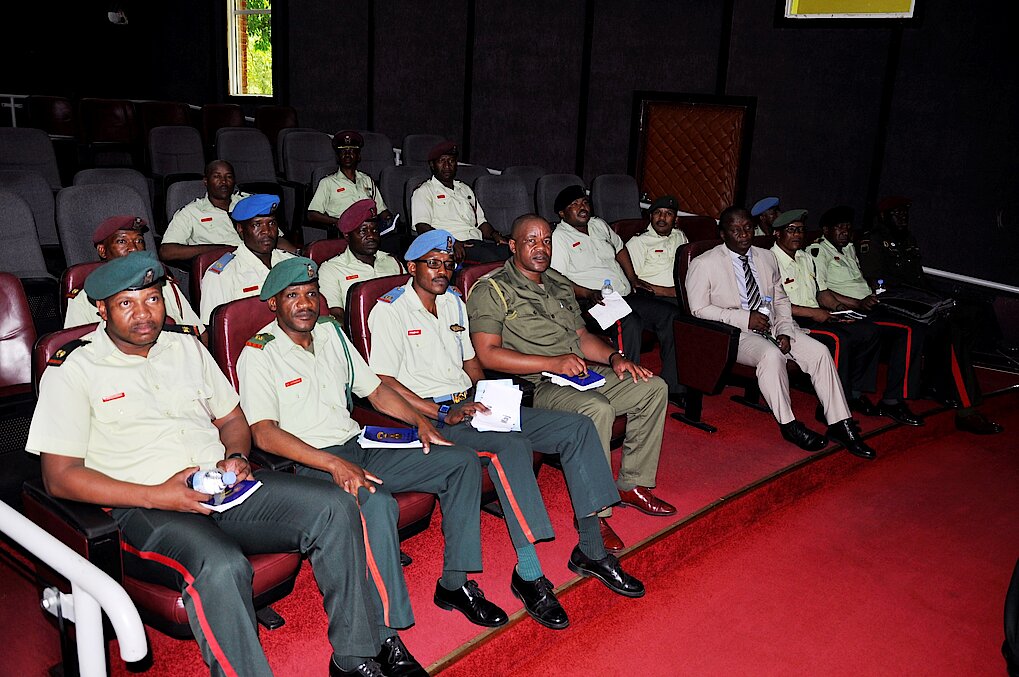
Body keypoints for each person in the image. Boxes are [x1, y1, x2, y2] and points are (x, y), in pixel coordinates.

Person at [26, 250, 392, 677]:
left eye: (152, 299)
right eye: (127, 303)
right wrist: (158, 495)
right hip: (143, 506)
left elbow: (232, 419)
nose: (144, 314)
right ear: (102, 309)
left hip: (220, 485)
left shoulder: (185, 346)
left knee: (335, 506)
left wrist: (234, 455)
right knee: (221, 566)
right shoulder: (73, 368)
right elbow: (60, 477)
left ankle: (353, 656)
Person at [236, 257, 503, 673]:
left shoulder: (331, 333)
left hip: (359, 444)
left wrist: (421, 421)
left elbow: (375, 392)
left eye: (311, 294)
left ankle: (455, 583)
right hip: (313, 463)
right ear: (273, 303)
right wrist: (331, 464)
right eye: (292, 296)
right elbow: (264, 435)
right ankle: (384, 636)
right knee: (376, 504)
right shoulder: (259, 354)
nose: (305, 303)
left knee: (460, 462)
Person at [368, 230, 642, 626]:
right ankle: (529, 575)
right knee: (511, 448)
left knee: (579, 428)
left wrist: (486, 397)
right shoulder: (390, 310)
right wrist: (441, 411)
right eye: (432, 263)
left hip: (470, 404)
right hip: (435, 416)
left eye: (448, 264)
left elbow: (470, 362)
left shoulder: (453, 302)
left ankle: (592, 549)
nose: (442, 271)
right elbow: (384, 381)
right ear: (411, 267)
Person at [468, 214, 676, 540]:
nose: (541, 248)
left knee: (652, 387)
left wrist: (615, 358)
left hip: (577, 372)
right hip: (535, 385)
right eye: (531, 241)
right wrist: (552, 363)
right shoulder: (492, 289)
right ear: (512, 245)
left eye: (546, 240)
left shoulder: (558, 282)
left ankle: (632, 484)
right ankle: (593, 513)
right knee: (597, 409)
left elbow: (581, 336)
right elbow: (487, 354)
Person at [685, 206, 875, 459]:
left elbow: (781, 300)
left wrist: (785, 329)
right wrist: (745, 318)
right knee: (771, 355)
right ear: (723, 233)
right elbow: (698, 309)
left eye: (748, 228)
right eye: (735, 230)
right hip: (733, 332)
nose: (743, 234)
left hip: (773, 325)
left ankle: (840, 423)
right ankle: (789, 424)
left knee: (819, 352)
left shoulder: (766, 257)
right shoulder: (704, 263)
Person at [857, 196, 1003, 434]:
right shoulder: (873, 240)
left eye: (905, 213)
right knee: (950, 332)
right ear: (883, 217)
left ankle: (936, 381)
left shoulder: (908, 239)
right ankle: (966, 409)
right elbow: (879, 284)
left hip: (920, 300)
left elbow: (919, 279)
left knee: (974, 313)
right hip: (894, 303)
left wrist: (938, 299)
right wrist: (929, 302)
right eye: (897, 213)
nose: (903, 217)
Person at [549, 185, 684, 403]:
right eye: (574, 205)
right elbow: (557, 280)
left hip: (623, 295)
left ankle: (674, 388)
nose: (582, 207)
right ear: (562, 214)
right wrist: (587, 292)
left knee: (670, 315)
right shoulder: (559, 237)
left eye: (584, 202)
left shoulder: (599, 225)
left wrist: (633, 278)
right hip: (591, 301)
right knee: (629, 322)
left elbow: (620, 248)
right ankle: (629, 390)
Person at [807, 206, 926, 427]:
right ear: (826, 230)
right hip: (852, 308)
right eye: (839, 227)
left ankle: (858, 394)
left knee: (915, 324)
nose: (845, 231)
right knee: (908, 331)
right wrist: (858, 304)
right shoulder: (818, 251)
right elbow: (821, 292)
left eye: (847, 227)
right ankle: (892, 400)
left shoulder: (849, 248)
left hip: (870, 304)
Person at [770, 209, 887, 415]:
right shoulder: (769, 261)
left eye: (801, 230)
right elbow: (773, 304)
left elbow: (822, 293)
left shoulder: (805, 257)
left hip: (817, 314)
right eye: (791, 230)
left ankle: (854, 394)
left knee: (869, 331)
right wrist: (814, 313)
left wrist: (841, 310)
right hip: (792, 320)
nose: (797, 234)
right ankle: (831, 406)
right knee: (840, 341)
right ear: (777, 233)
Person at [65, 215, 206, 344]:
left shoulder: (165, 285)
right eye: (122, 241)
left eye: (139, 241)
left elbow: (198, 333)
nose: (133, 248)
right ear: (102, 251)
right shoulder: (83, 298)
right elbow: (78, 350)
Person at [160, 160, 296, 265]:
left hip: (262, 261)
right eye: (217, 177)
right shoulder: (191, 212)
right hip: (223, 268)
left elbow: (275, 238)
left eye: (228, 177)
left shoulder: (248, 203)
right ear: (206, 181)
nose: (224, 182)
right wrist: (219, 249)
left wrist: (298, 254)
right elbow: (167, 251)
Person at [198, 193, 295, 323]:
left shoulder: (290, 263)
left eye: (271, 223)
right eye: (257, 225)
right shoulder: (222, 275)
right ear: (240, 229)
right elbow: (214, 329)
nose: (267, 231)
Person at [410, 140, 510, 262]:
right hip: (452, 248)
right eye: (442, 161)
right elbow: (422, 227)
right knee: (494, 262)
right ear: (432, 165)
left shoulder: (465, 189)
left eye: (451, 161)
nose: (447, 166)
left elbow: (481, 223)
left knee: (514, 254)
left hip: (477, 243)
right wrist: (451, 242)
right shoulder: (424, 191)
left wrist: (495, 235)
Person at [318, 199, 406, 324]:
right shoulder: (331, 269)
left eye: (375, 230)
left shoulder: (392, 262)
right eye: (363, 231)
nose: (371, 236)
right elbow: (336, 315)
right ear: (347, 236)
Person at [306, 131, 394, 235]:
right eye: (343, 152)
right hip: (346, 232)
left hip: (369, 229)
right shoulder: (327, 183)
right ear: (338, 157)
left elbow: (381, 210)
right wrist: (337, 222)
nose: (347, 155)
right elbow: (312, 215)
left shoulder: (367, 180)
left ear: (358, 156)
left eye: (352, 151)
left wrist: (390, 219)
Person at [624, 194, 689, 299]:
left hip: (682, 294)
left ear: (676, 219)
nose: (662, 217)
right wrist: (668, 292)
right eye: (657, 212)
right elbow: (630, 280)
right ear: (651, 217)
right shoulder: (639, 242)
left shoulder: (679, 236)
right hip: (652, 297)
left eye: (668, 213)